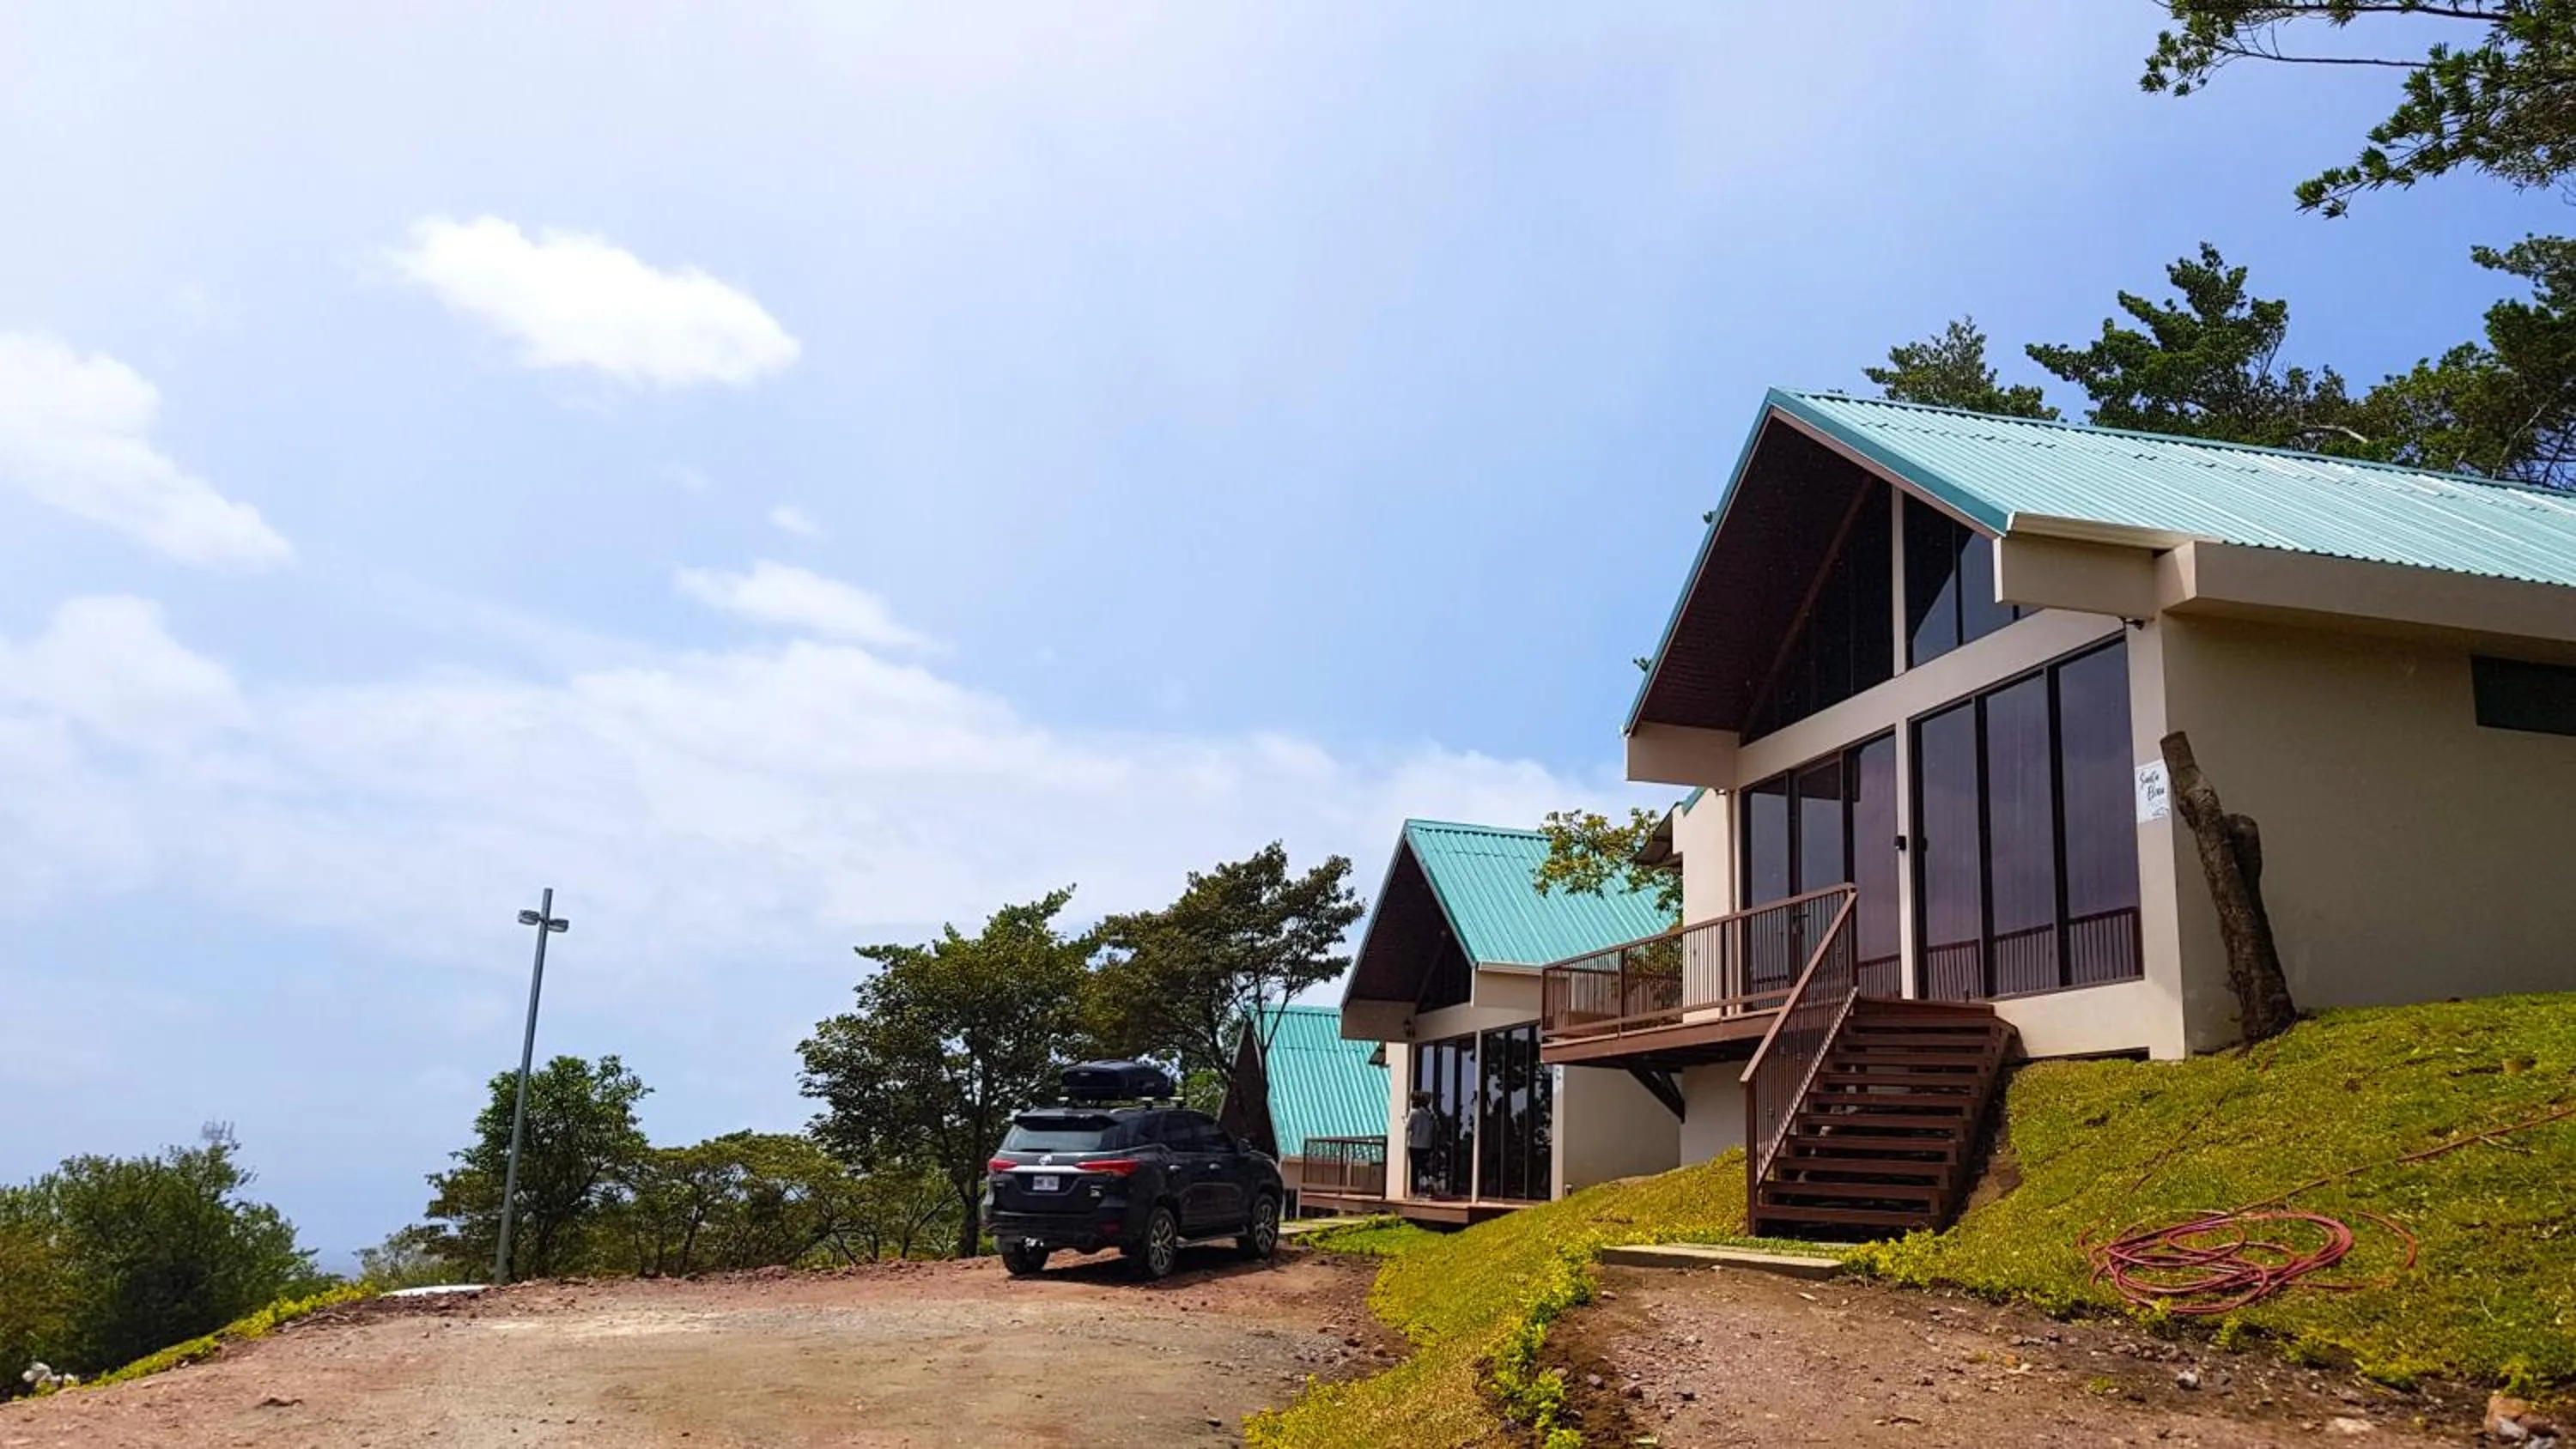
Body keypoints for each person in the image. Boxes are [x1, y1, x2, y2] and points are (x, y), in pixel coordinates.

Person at [1404, 1091, 1439, 1197]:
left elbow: (1408, 1127)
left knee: (1415, 1168)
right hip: (1426, 1145)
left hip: (1415, 1145)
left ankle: (1414, 1191)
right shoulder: (1430, 1115)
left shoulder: (1414, 1113)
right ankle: (1430, 1180)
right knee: (1424, 1166)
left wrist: (1405, 1120)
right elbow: (1436, 1127)